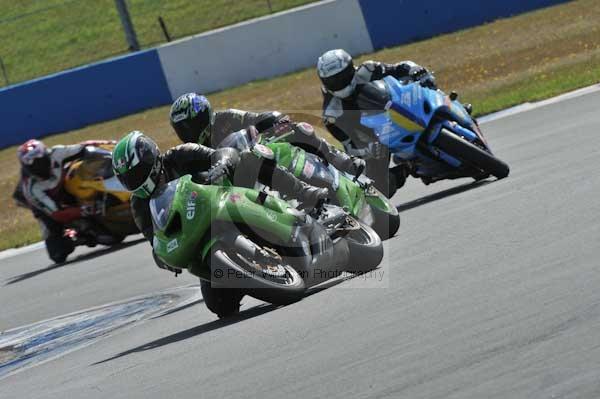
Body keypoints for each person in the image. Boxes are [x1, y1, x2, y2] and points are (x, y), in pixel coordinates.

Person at [317, 49, 436, 197]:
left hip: (397, 107)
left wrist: (415, 69)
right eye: (332, 80)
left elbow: (399, 68)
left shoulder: (368, 69)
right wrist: (367, 150)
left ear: (350, 69)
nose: (338, 83)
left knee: (427, 84)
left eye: (341, 77)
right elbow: (349, 145)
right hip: (376, 139)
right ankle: (406, 168)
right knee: (376, 189)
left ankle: (452, 107)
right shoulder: (331, 114)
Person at [168, 92, 365, 176]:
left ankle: (340, 159)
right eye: (181, 128)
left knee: (300, 128)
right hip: (237, 184)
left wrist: (276, 119)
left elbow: (255, 117)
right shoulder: (191, 153)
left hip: (261, 154)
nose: (187, 132)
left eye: (189, 125)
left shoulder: (224, 118)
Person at [16, 139, 115, 263]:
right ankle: (77, 233)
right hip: (48, 208)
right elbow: (58, 214)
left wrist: (112, 146)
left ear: (46, 154)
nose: (38, 167)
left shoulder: (57, 153)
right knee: (58, 254)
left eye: (40, 161)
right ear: (26, 167)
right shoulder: (31, 188)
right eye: (32, 166)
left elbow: (84, 147)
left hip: (65, 186)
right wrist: (88, 210)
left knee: (85, 167)